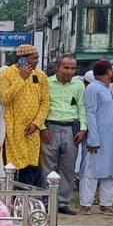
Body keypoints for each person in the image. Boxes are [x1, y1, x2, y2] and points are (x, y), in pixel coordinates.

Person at [0, 44, 50, 186]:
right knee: (16, 166)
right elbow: (4, 98)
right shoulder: (6, 74)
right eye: (34, 58)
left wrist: (37, 124)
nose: (37, 61)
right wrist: (21, 78)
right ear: (22, 59)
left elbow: (45, 102)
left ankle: (30, 202)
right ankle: (15, 201)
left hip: (33, 129)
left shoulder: (40, 76)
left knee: (33, 166)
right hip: (14, 129)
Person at [42, 55, 86, 214]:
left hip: (71, 128)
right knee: (48, 167)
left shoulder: (79, 85)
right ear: (58, 67)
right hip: (50, 127)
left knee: (68, 168)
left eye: (72, 68)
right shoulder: (46, 83)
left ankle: (62, 202)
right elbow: (41, 106)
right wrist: (41, 127)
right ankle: (47, 201)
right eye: (66, 67)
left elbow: (82, 107)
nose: (69, 71)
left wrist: (83, 129)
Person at [80, 61, 113, 214]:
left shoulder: (109, 89)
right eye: (112, 71)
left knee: (111, 171)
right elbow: (90, 113)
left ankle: (106, 204)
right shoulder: (93, 88)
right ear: (108, 71)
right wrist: (93, 138)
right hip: (98, 137)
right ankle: (86, 204)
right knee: (92, 170)